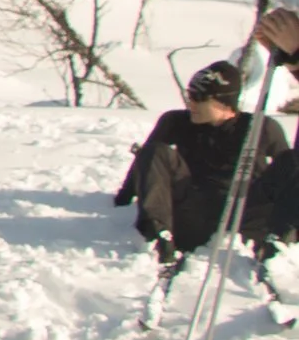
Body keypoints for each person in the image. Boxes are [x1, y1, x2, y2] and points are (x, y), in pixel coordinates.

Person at [116, 59, 292, 267]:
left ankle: (279, 244)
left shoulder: (259, 127)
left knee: (291, 160)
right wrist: (123, 198)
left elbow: (288, 176)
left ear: (224, 102)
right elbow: (147, 164)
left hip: (245, 214)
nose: (191, 104)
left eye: (199, 98)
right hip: (194, 212)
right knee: (156, 151)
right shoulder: (175, 121)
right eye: (189, 96)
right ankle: (158, 236)